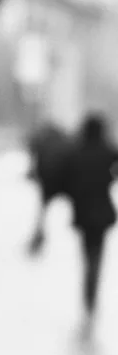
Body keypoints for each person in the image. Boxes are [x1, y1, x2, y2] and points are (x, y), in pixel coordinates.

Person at [62, 112, 118, 335]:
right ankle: (91, 295)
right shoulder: (107, 150)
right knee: (97, 255)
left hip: (83, 213)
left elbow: (65, 180)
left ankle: (88, 295)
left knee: (87, 254)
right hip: (102, 213)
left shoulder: (76, 152)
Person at [25, 120, 72, 254]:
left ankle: (38, 239)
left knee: (42, 213)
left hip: (47, 182)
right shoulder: (64, 142)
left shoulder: (42, 142)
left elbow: (35, 157)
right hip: (62, 181)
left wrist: (34, 173)